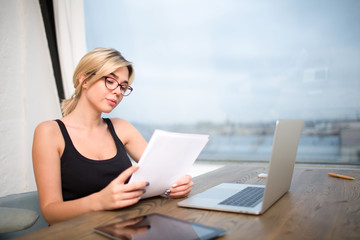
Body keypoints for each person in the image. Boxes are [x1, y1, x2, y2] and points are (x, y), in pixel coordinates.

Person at [32, 48, 194, 225]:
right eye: (110, 81)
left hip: (123, 226)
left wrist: (177, 184)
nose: (118, 92)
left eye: (123, 87)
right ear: (84, 80)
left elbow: (164, 175)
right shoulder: (49, 132)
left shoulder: (121, 127)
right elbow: (50, 212)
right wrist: (99, 201)